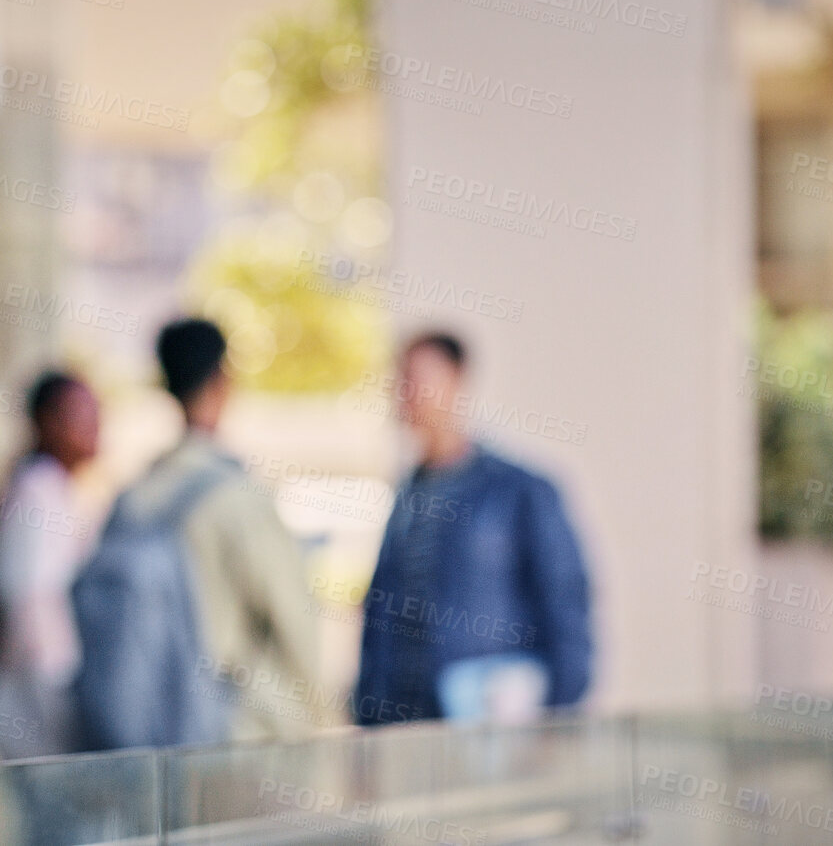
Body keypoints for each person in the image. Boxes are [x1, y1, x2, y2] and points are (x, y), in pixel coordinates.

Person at [78, 319, 321, 746]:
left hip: (146, 744)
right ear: (222, 381)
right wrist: (322, 718)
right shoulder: (236, 496)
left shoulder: (133, 497)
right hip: (234, 736)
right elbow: (293, 618)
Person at [354, 331, 593, 727]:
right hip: (406, 732)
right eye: (402, 383)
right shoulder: (406, 499)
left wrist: (556, 715)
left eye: (422, 381)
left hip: (487, 732)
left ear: (457, 383)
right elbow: (379, 616)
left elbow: (566, 608)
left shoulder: (518, 492)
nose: (410, 396)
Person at [0, 371, 100, 760]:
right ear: (49, 422)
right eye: (82, 416)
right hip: (32, 691)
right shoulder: (38, 490)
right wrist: (54, 692)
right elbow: (26, 600)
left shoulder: (49, 486)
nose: (95, 428)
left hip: (31, 686)